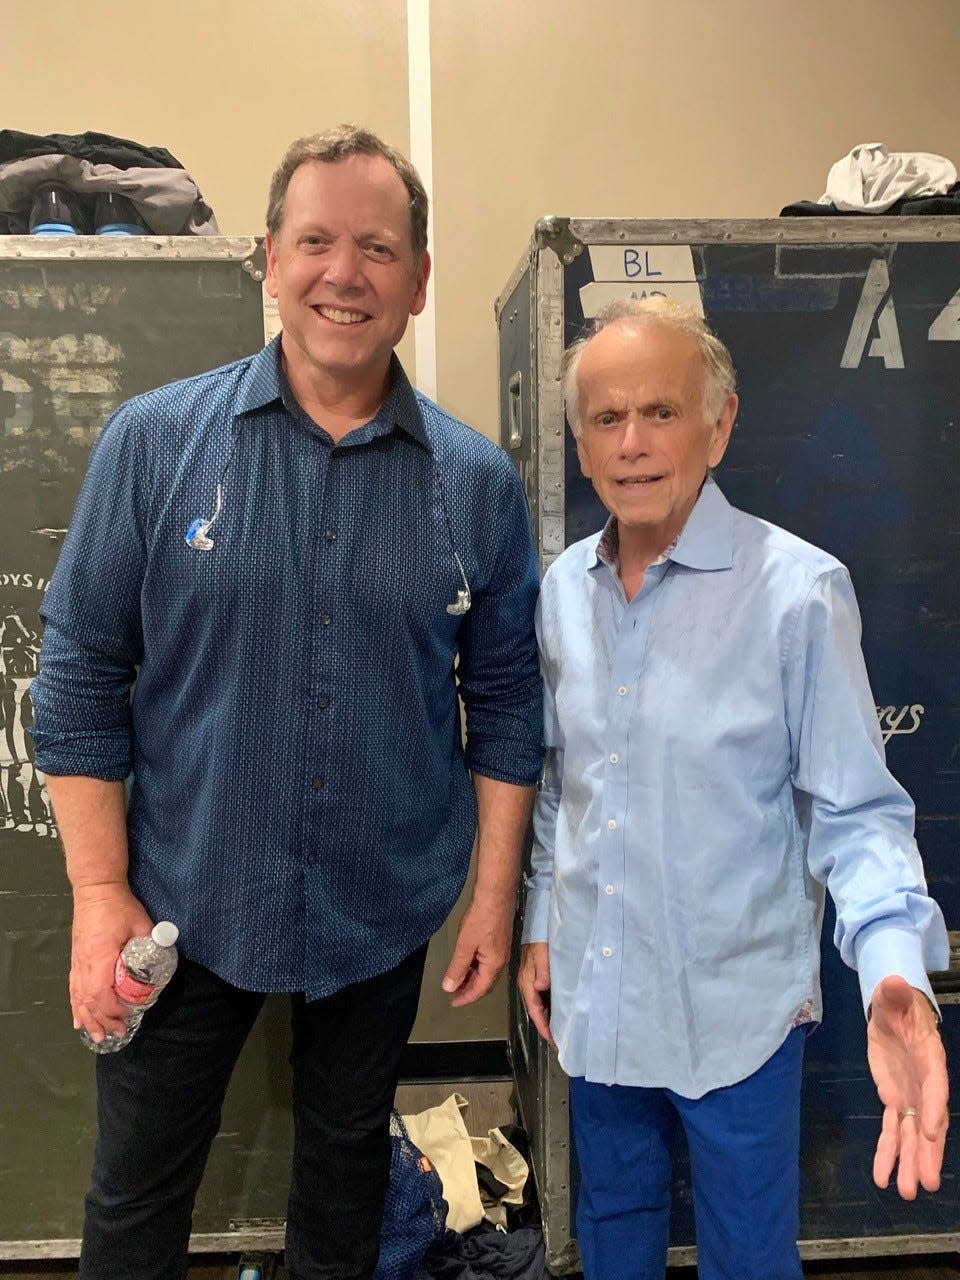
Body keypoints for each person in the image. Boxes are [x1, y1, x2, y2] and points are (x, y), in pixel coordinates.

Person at [31, 124, 543, 1280]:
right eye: (315, 240)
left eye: (377, 246)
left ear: (419, 279)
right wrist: (100, 889)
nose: (343, 272)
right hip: (178, 901)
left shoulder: (474, 483)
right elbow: (76, 677)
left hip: (376, 906)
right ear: (269, 259)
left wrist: (492, 898)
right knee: (139, 1185)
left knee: (345, 1180)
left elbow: (506, 696)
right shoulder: (154, 446)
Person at [518, 297, 949, 1280]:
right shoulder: (559, 594)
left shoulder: (796, 592)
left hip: (737, 1019)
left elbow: (857, 814)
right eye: (606, 418)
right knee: (612, 1227)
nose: (632, 443)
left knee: (749, 1254)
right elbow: (560, 789)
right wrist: (544, 921)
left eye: (661, 412)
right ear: (581, 447)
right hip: (599, 999)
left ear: (720, 422)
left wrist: (893, 969)